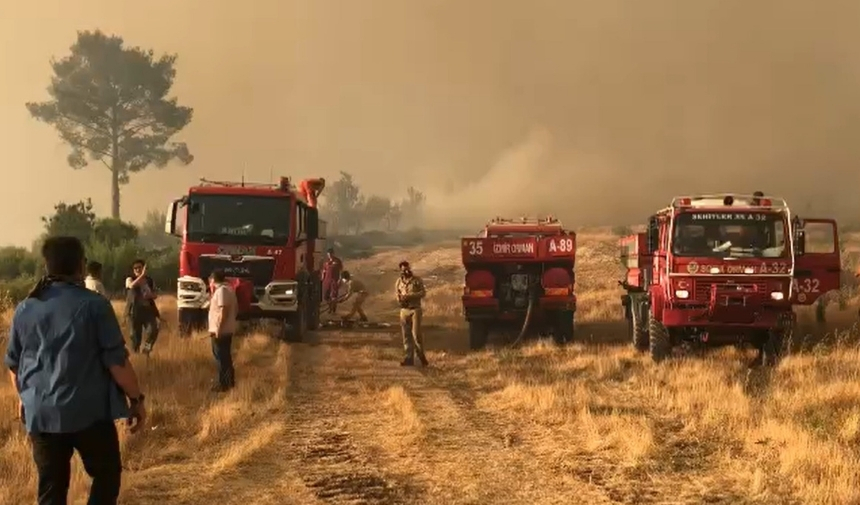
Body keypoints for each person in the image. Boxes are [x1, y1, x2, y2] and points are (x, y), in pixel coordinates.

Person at [4, 236, 146, 505]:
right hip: (89, 413)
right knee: (106, 475)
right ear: (81, 265)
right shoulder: (94, 305)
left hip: (43, 415)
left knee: (51, 490)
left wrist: (23, 398)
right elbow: (117, 362)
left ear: (47, 266)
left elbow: (14, 363)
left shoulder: (25, 308)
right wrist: (136, 399)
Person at [208, 269, 239, 392]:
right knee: (225, 357)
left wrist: (218, 329)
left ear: (213, 280)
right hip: (226, 329)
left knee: (221, 358)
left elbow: (223, 311)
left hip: (221, 331)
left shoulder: (221, 291)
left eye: (210, 281)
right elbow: (235, 310)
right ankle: (229, 382)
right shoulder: (229, 290)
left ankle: (223, 384)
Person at [395, 260, 428, 367]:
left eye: (407, 268)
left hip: (415, 310)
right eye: (404, 270)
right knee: (406, 336)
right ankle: (408, 358)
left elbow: (423, 293)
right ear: (400, 270)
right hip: (404, 310)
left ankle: (421, 356)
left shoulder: (417, 280)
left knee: (416, 335)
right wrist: (400, 299)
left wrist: (410, 296)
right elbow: (397, 294)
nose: (406, 271)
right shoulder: (399, 282)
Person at [125, 259, 160, 355]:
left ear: (143, 268)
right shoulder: (130, 279)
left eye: (139, 267)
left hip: (148, 311)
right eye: (135, 268)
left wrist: (150, 295)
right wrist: (141, 276)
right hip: (134, 312)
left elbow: (155, 294)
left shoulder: (149, 280)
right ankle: (136, 356)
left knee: (153, 330)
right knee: (135, 337)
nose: (137, 269)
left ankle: (146, 350)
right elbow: (131, 286)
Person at [321, 248, 343, 314]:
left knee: (334, 296)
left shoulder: (337, 261)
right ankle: (330, 307)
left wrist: (340, 279)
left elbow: (341, 270)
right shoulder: (326, 262)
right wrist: (322, 278)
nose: (330, 255)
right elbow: (324, 271)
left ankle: (333, 310)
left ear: (333, 253)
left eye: (331, 254)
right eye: (328, 254)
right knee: (325, 296)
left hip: (334, 280)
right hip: (327, 280)